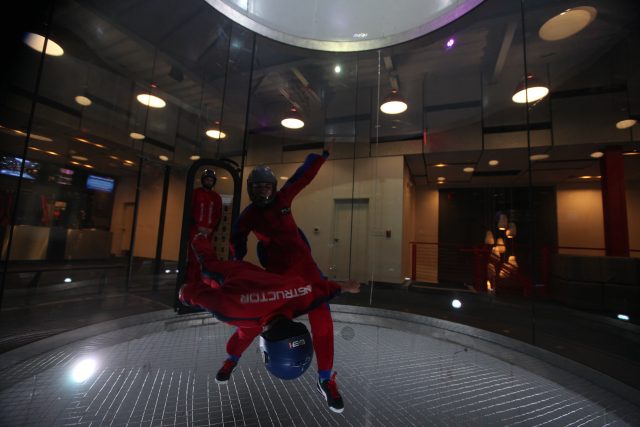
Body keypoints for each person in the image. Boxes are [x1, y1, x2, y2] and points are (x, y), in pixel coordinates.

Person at [179, 234, 360, 413]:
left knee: (248, 327)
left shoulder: (300, 297)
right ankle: (231, 359)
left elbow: (322, 290)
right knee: (211, 272)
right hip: (236, 274)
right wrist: (184, 294)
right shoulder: (228, 310)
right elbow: (197, 287)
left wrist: (345, 287)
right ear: (265, 347)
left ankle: (232, 360)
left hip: (263, 282)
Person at [229, 142, 345, 410]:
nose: (262, 191)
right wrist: (236, 263)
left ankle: (325, 379)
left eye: (266, 186)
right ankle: (232, 357)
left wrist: (321, 156)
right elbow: (237, 239)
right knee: (263, 316)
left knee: (322, 319)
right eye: (256, 187)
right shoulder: (248, 216)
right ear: (250, 190)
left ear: (273, 187)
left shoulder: (283, 199)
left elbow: (302, 177)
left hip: (306, 270)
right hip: (278, 277)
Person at [186, 168, 223, 286]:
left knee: (206, 258)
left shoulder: (216, 197)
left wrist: (211, 228)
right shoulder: (195, 193)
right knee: (193, 259)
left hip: (208, 233)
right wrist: (197, 227)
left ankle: (201, 283)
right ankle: (191, 283)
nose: (209, 181)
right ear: (203, 180)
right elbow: (190, 211)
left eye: (211, 180)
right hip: (195, 231)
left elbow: (218, 214)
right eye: (207, 179)